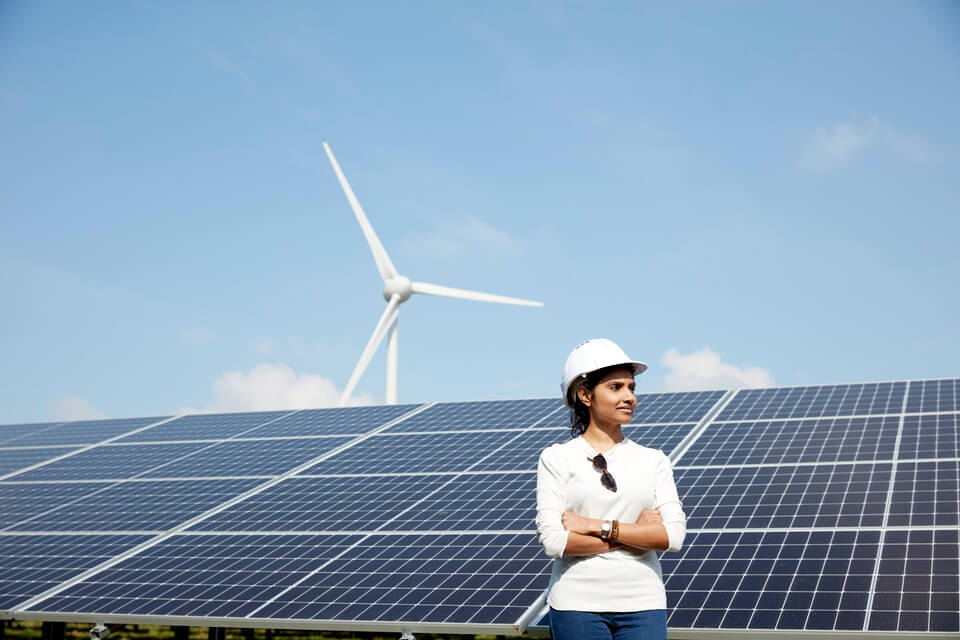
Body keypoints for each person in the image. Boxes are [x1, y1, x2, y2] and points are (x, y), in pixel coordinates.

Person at [536, 338, 686, 640]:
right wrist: (636, 535)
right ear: (585, 394)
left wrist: (593, 526)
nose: (629, 396)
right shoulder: (556, 458)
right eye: (615, 387)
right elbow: (554, 541)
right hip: (576, 603)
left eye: (632, 387)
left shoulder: (654, 460)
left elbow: (672, 536)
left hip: (644, 603)